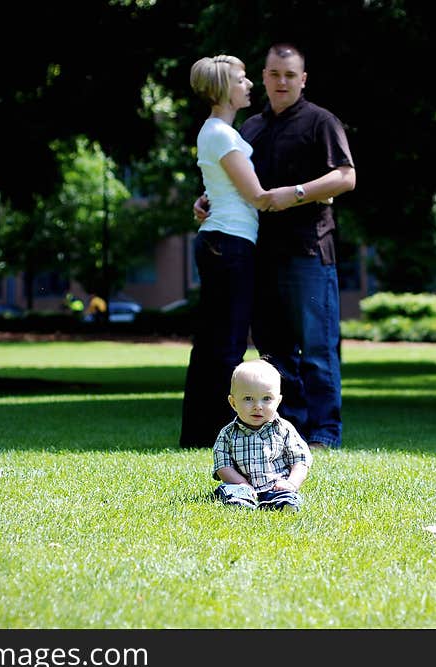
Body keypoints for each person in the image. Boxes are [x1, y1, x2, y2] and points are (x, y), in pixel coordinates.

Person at [195, 43, 356, 450]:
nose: (281, 81)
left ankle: (323, 434)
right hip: (259, 254)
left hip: (309, 253)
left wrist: (296, 192)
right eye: (273, 74)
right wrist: (204, 199)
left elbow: (345, 176)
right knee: (274, 351)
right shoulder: (249, 128)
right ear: (264, 77)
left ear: (302, 79)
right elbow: (234, 180)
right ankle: (292, 431)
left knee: (318, 349)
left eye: (290, 75)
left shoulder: (322, 122)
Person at [179, 54, 307, 448]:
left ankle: (201, 433)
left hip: (228, 243)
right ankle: (211, 433)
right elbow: (257, 196)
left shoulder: (223, 133)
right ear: (223, 88)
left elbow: (227, 189)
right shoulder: (219, 133)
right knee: (225, 343)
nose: (249, 84)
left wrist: (205, 199)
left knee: (219, 340)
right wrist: (310, 191)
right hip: (227, 245)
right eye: (241, 79)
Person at [212, 358, 312, 511]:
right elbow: (223, 466)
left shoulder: (284, 429)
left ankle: (284, 504)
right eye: (248, 399)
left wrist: (291, 483)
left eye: (266, 399)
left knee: (286, 494)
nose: (258, 406)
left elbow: (301, 460)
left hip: (276, 485)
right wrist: (242, 483)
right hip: (241, 486)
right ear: (233, 403)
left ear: (277, 401)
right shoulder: (227, 434)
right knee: (230, 490)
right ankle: (240, 502)